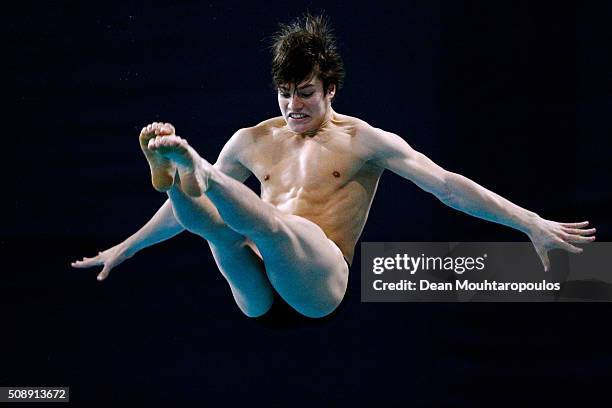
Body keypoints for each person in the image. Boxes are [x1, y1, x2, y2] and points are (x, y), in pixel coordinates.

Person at [71, 13, 596, 318]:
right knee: (216, 229)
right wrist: (127, 245)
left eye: (305, 95)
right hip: (256, 298)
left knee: (270, 225)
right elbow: (186, 222)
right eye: (284, 95)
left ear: (330, 90)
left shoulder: (364, 140)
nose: (293, 107)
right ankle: (183, 179)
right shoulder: (252, 139)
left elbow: (447, 187)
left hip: (318, 288)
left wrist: (530, 222)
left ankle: (197, 173)